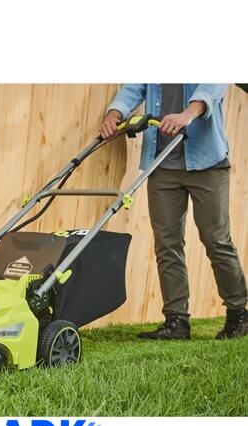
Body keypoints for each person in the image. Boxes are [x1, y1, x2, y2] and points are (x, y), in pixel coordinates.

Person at [100, 84, 247, 340]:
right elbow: (133, 88)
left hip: (207, 163)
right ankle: (176, 321)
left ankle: (239, 314)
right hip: (162, 163)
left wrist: (188, 114)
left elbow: (212, 86)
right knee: (167, 243)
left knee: (216, 239)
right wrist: (114, 114)